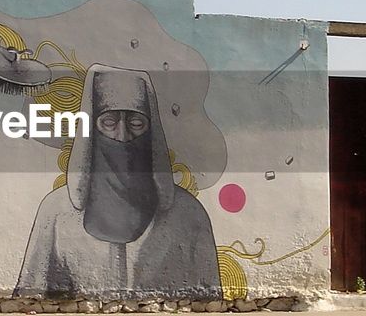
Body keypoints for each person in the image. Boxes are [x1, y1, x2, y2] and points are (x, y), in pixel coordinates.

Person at [14, 64, 220, 298]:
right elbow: (31, 297)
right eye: (109, 123)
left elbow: (210, 301)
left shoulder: (188, 214)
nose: (122, 137)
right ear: (93, 130)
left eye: (136, 124)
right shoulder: (57, 212)